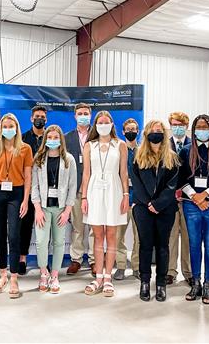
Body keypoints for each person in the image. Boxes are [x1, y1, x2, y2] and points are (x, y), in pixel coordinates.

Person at [178, 114, 209, 304]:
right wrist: (194, 196)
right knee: (193, 244)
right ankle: (196, 282)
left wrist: (205, 195)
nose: (202, 130)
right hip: (191, 204)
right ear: (194, 129)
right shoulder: (185, 151)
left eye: (205, 127)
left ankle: (208, 284)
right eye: (198, 127)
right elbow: (181, 178)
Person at [81, 111, 128, 297]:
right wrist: (84, 197)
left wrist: (125, 195)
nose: (103, 125)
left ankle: (108, 277)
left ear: (111, 124)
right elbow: (86, 173)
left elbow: (123, 173)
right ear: (95, 125)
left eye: (106, 122)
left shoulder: (120, 145)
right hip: (94, 191)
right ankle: (98, 277)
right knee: (98, 235)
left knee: (111, 234)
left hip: (114, 191)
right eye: (99, 122)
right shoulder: (89, 146)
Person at [131, 120, 179, 302]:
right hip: (143, 208)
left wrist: (159, 204)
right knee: (145, 245)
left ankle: (160, 284)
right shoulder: (138, 155)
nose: (156, 133)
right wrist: (149, 202)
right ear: (146, 134)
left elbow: (172, 184)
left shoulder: (172, 157)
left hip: (165, 209)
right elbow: (136, 182)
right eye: (152, 130)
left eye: (159, 130)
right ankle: (144, 282)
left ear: (164, 134)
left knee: (163, 246)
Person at [0, 113, 33, 298]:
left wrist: (25, 200)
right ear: (0, 128)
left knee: (14, 235)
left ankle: (14, 276)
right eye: (4, 126)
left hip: (17, 193)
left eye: (10, 126)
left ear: (16, 128)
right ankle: (3, 274)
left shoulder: (25, 148)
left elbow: (28, 176)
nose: (7, 129)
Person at [31, 125, 77, 293]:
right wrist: (37, 208)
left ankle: (55, 275)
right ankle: (44, 273)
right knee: (42, 242)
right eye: (49, 137)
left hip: (61, 208)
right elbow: (34, 186)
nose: (52, 140)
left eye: (55, 137)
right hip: (43, 207)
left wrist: (67, 210)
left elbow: (73, 186)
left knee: (58, 243)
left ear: (61, 139)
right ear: (45, 140)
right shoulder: (39, 158)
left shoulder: (69, 159)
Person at [65, 103, 95, 276]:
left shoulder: (98, 136)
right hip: (75, 189)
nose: (83, 115)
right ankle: (76, 259)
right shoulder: (67, 137)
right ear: (75, 116)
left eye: (86, 113)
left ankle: (93, 260)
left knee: (93, 227)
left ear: (90, 116)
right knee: (77, 227)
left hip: (94, 189)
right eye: (80, 113)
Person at [20, 105, 47, 275]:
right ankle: (22, 258)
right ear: (31, 118)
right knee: (25, 224)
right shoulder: (22, 139)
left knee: (46, 226)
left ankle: (43, 260)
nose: (40, 119)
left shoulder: (51, 138)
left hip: (47, 189)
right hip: (27, 188)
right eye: (37, 116)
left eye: (43, 117)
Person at [167, 112, 193, 286]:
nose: (178, 127)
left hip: (190, 199)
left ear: (186, 126)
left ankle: (189, 272)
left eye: (181, 124)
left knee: (189, 237)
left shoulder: (194, 145)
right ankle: (170, 271)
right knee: (170, 237)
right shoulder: (164, 145)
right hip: (169, 200)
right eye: (174, 124)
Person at [114, 118, 140, 281]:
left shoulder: (143, 151)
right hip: (120, 199)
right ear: (123, 132)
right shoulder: (117, 150)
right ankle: (121, 266)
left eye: (134, 129)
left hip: (138, 200)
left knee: (139, 237)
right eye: (128, 129)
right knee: (118, 236)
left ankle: (137, 267)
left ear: (138, 131)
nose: (131, 131)